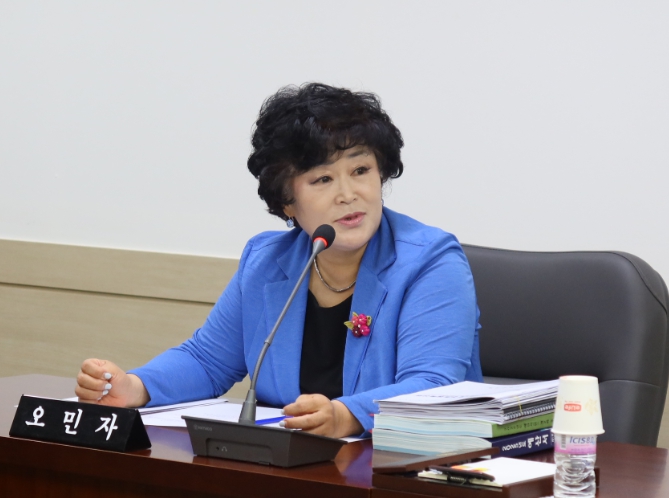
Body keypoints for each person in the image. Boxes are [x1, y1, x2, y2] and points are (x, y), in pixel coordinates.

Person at [75, 83, 483, 438]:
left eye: (361, 169)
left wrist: (345, 416)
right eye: (323, 179)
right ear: (287, 201)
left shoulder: (430, 261)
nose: (348, 194)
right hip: (290, 467)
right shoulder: (267, 260)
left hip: (405, 470)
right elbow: (207, 360)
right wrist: (137, 387)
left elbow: (434, 386)